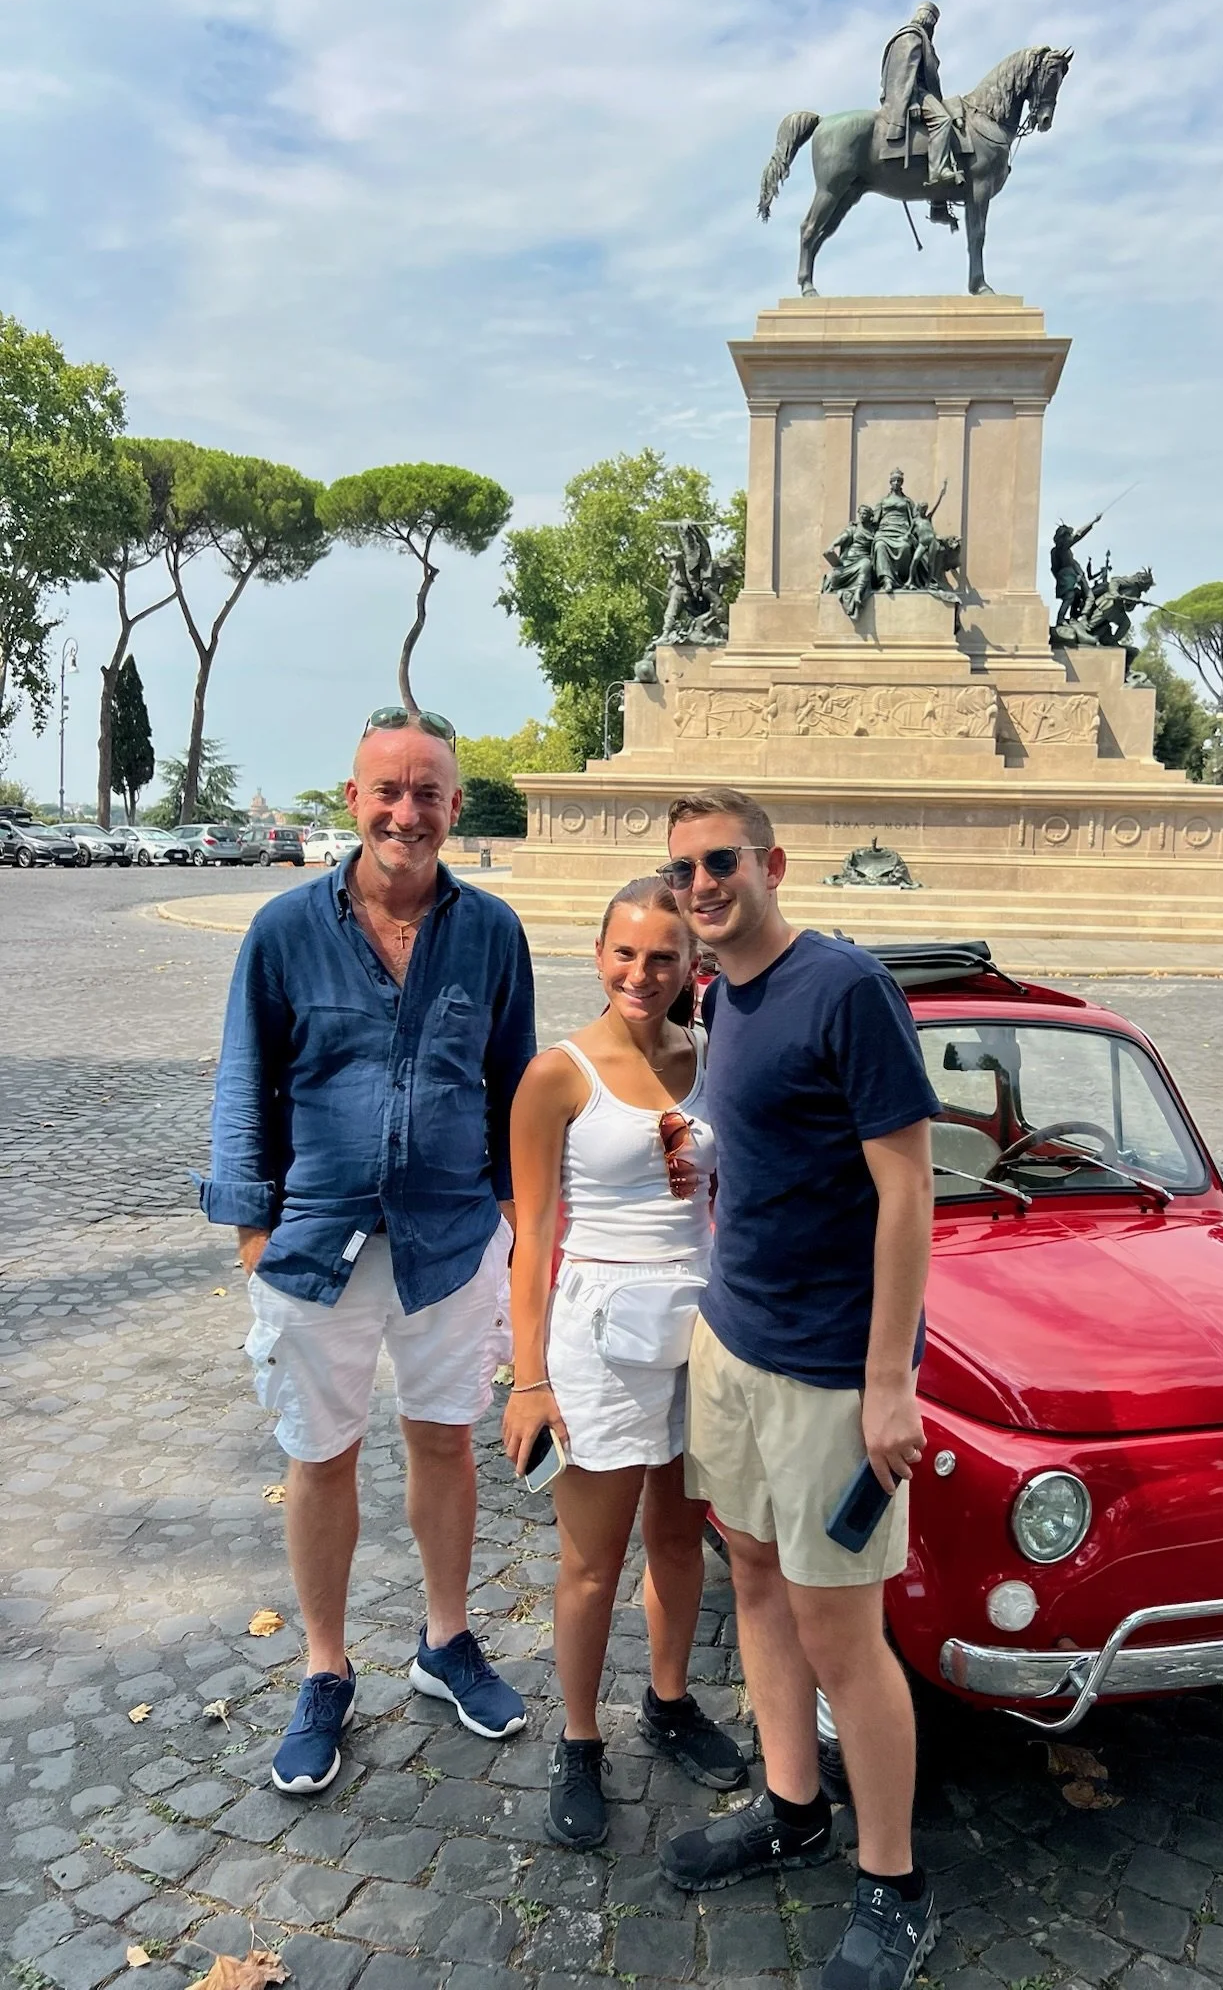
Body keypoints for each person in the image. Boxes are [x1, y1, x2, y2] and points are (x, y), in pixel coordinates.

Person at [200, 706, 536, 1795]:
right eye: (387, 788)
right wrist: (255, 1231)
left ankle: (445, 1640)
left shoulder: (491, 933)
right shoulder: (284, 929)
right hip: (315, 1242)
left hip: (449, 1239)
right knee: (322, 1457)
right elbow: (246, 1081)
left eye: (428, 790)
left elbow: (516, 1085)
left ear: (453, 803)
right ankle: (325, 1666)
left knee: (445, 1444)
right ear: (352, 800)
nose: (407, 809)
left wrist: (514, 1217)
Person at [654, 789, 943, 1990]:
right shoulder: (721, 991)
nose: (702, 883)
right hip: (734, 1339)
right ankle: (792, 1806)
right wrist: (703, 1146)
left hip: (831, 1370)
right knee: (758, 1579)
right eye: (682, 869)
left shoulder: (846, 986)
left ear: (773, 861)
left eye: (722, 860)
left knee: (844, 1632)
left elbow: (909, 1190)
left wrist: (889, 1381)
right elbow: (761, 1128)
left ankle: (893, 1880)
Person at [503, 877, 747, 1851]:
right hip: (598, 1338)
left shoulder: (716, 1064)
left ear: (694, 964)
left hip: (700, 1328)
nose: (641, 973)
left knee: (683, 1539)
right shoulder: (557, 1074)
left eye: (662, 956)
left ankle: (673, 1697)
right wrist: (528, 1376)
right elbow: (532, 1236)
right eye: (624, 953)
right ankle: (579, 1736)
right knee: (592, 1562)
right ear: (597, 956)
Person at [879, 0, 964, 208]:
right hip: (913, 94)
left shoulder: (917, 38)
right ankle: (938, 171)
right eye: (932, 21)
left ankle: (939, 203)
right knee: (943, 120)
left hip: (919, 92)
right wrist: (912, 102)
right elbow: (903, 75)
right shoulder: (912, 37)